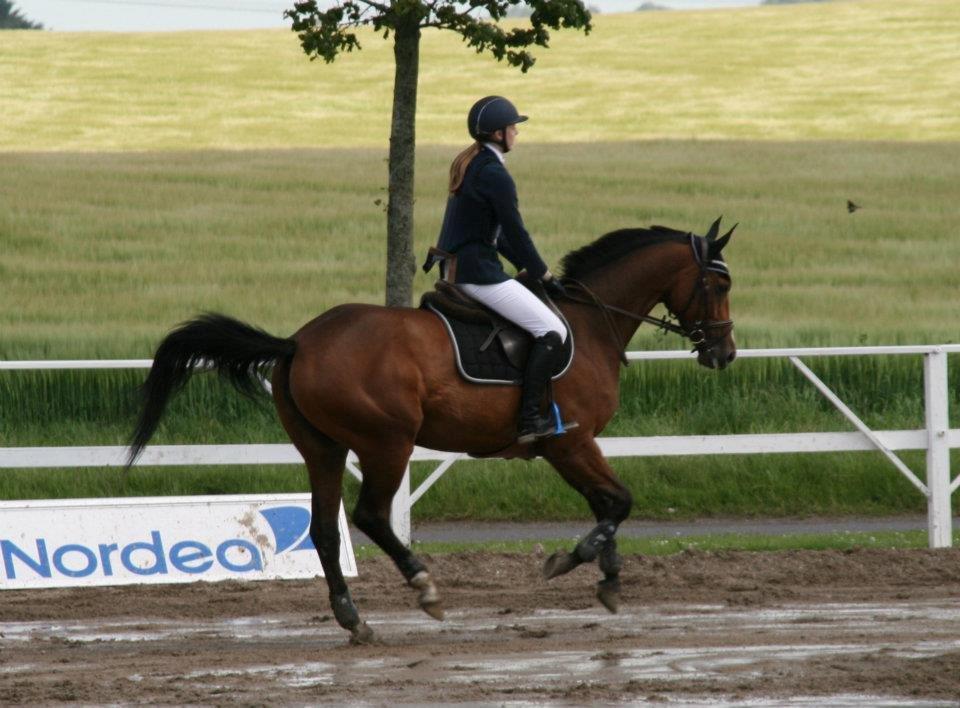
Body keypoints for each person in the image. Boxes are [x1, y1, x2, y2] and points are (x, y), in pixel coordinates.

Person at [431, 95, 572, 444]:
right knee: (552, 331)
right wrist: (544, 275)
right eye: (513, 129)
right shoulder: (494, 174)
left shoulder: (473, 163)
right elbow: (514, 232)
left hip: (459, 267)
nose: (516, 135)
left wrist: (526, 267)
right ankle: (529, 420)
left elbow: (491, 234)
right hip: (478, 274)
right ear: (497, 134)